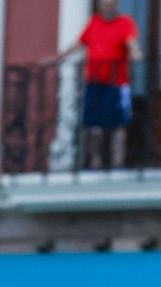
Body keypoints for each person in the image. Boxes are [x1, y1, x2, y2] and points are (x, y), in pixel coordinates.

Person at [52, 0, 140, 171]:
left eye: (109, 3)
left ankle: (117, 163)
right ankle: (95, 162)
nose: (105, 6)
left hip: (116, 83)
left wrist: (135, 52)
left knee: (118, 126)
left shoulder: (124, 23)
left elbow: (131, 41)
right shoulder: (94, 23)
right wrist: (58, 58)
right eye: (103, 3)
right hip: (94, 82)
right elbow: (79, 44)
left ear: (115, 4)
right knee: (94, 127)